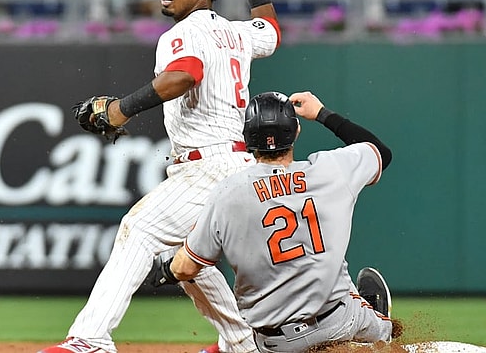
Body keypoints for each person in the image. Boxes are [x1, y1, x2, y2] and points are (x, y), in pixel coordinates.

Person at [38, 0, 281, 353]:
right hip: (236, 165)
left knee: (141, 229)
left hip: (208, 168)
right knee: (192, 263)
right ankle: (243, 343)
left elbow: (183, 76)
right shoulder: (237, 33)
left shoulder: (183, 33)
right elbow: (272, 29)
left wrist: (120, 109)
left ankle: (90, 340)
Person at [149, 91, 399, 353]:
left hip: (274, 343)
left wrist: (165, 272)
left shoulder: (227, 193)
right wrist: (322, 114)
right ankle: (377, 326)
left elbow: (187, 268)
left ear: (246, 139)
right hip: (337, 322)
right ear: (296, 131)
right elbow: (381, 152)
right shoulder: (331, 170)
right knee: (381, 333)